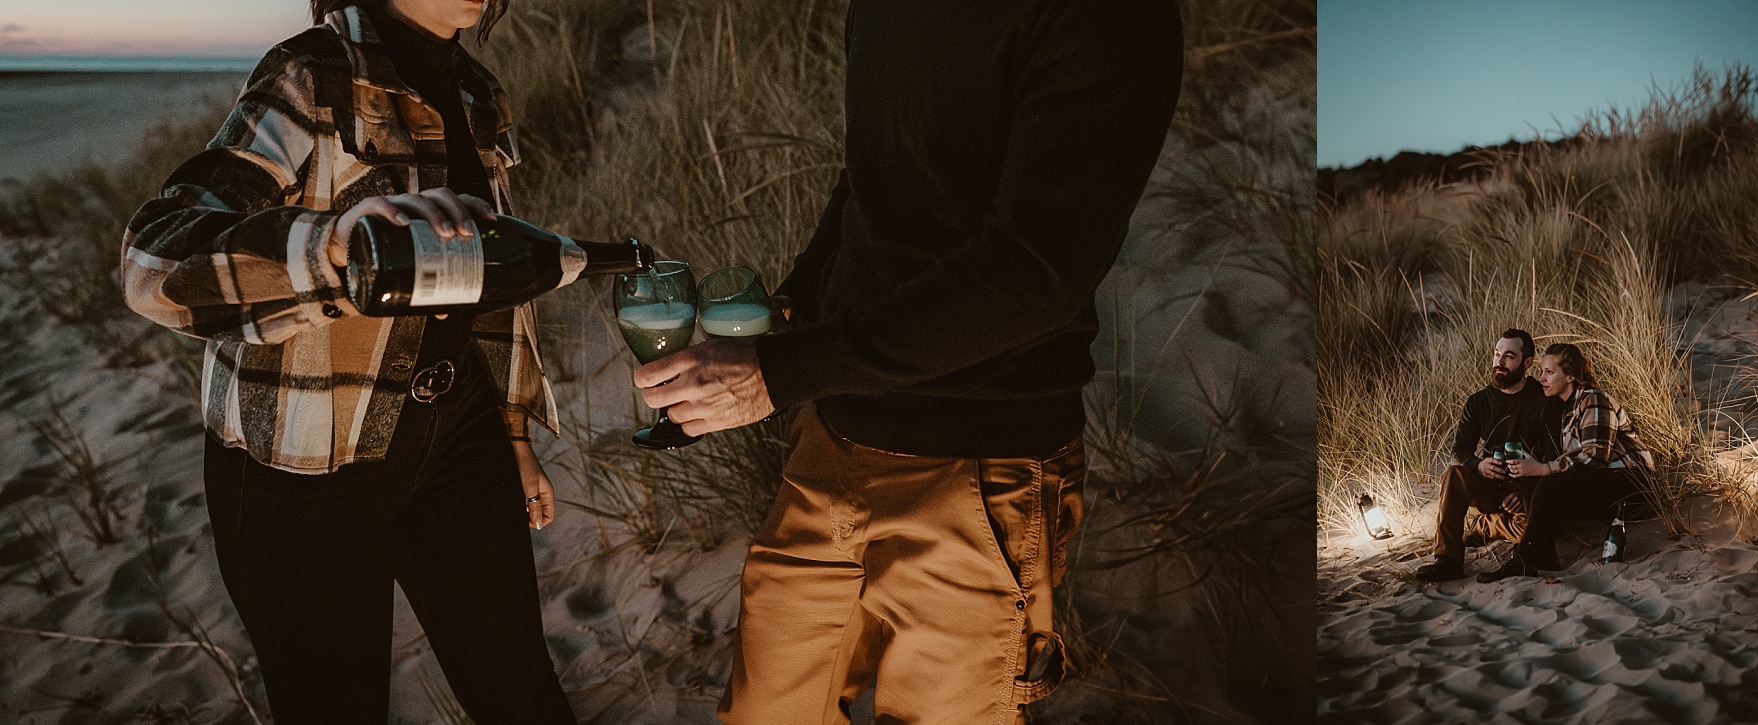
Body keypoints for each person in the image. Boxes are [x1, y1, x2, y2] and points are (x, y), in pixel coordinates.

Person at [629, 1, 1183, 722]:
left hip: (978, 470)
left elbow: (1034, 272)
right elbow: (871, 176)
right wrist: (797, 303)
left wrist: (780, 374)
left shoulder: (1109, 17)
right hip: (832, 443)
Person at [119, 1, 578, 722]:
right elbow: (154, 259)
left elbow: (489, 283)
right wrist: (329, 245)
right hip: (301, 465)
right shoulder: (310, 74)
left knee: (522, 693)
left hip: (456, 432)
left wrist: (514, 434)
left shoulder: (479, 93)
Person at [1477, 342, 1655, 582]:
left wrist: (1544, 468)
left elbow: (1595, 455)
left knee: (1549, 482)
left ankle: (1524, 558)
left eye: (1549, 372)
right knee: (1534, 482)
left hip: (1634, 483)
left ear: (1570, 375)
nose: (1541, 378)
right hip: (1603, 487)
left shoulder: (1592, 399)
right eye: (1541, 372)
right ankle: (1544, 555)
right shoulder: (1565, 411)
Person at [1415, 329, 1562, 583]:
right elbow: (1458, 451)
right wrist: (1478, 465)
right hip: (1487, 486)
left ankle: (1488, 526)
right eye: (1496, 355)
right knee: (1454, 474)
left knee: (1536, 535)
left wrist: (1525, 490)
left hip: (1526, 490)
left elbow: (1552, 456)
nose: (1499, 363)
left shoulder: (1544, 399)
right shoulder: (1478, 402)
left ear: (1527, 363)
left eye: (1508, 356)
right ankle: (1447, 559)